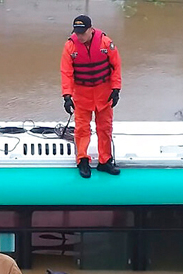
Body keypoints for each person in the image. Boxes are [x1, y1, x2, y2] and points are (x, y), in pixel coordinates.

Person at [61, 15, 122, 178]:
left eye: (82, 33)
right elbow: (66, 72)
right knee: (82, 129)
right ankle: (82, 160)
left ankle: (105, 161)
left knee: (105, 128)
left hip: (104, 94)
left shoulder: (105, 43)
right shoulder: (70, 47)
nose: (79, 36)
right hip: (82, 95)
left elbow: (116, 66)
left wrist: (116, 89)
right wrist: (67, 96)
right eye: (77, 33)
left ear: (90, 29)